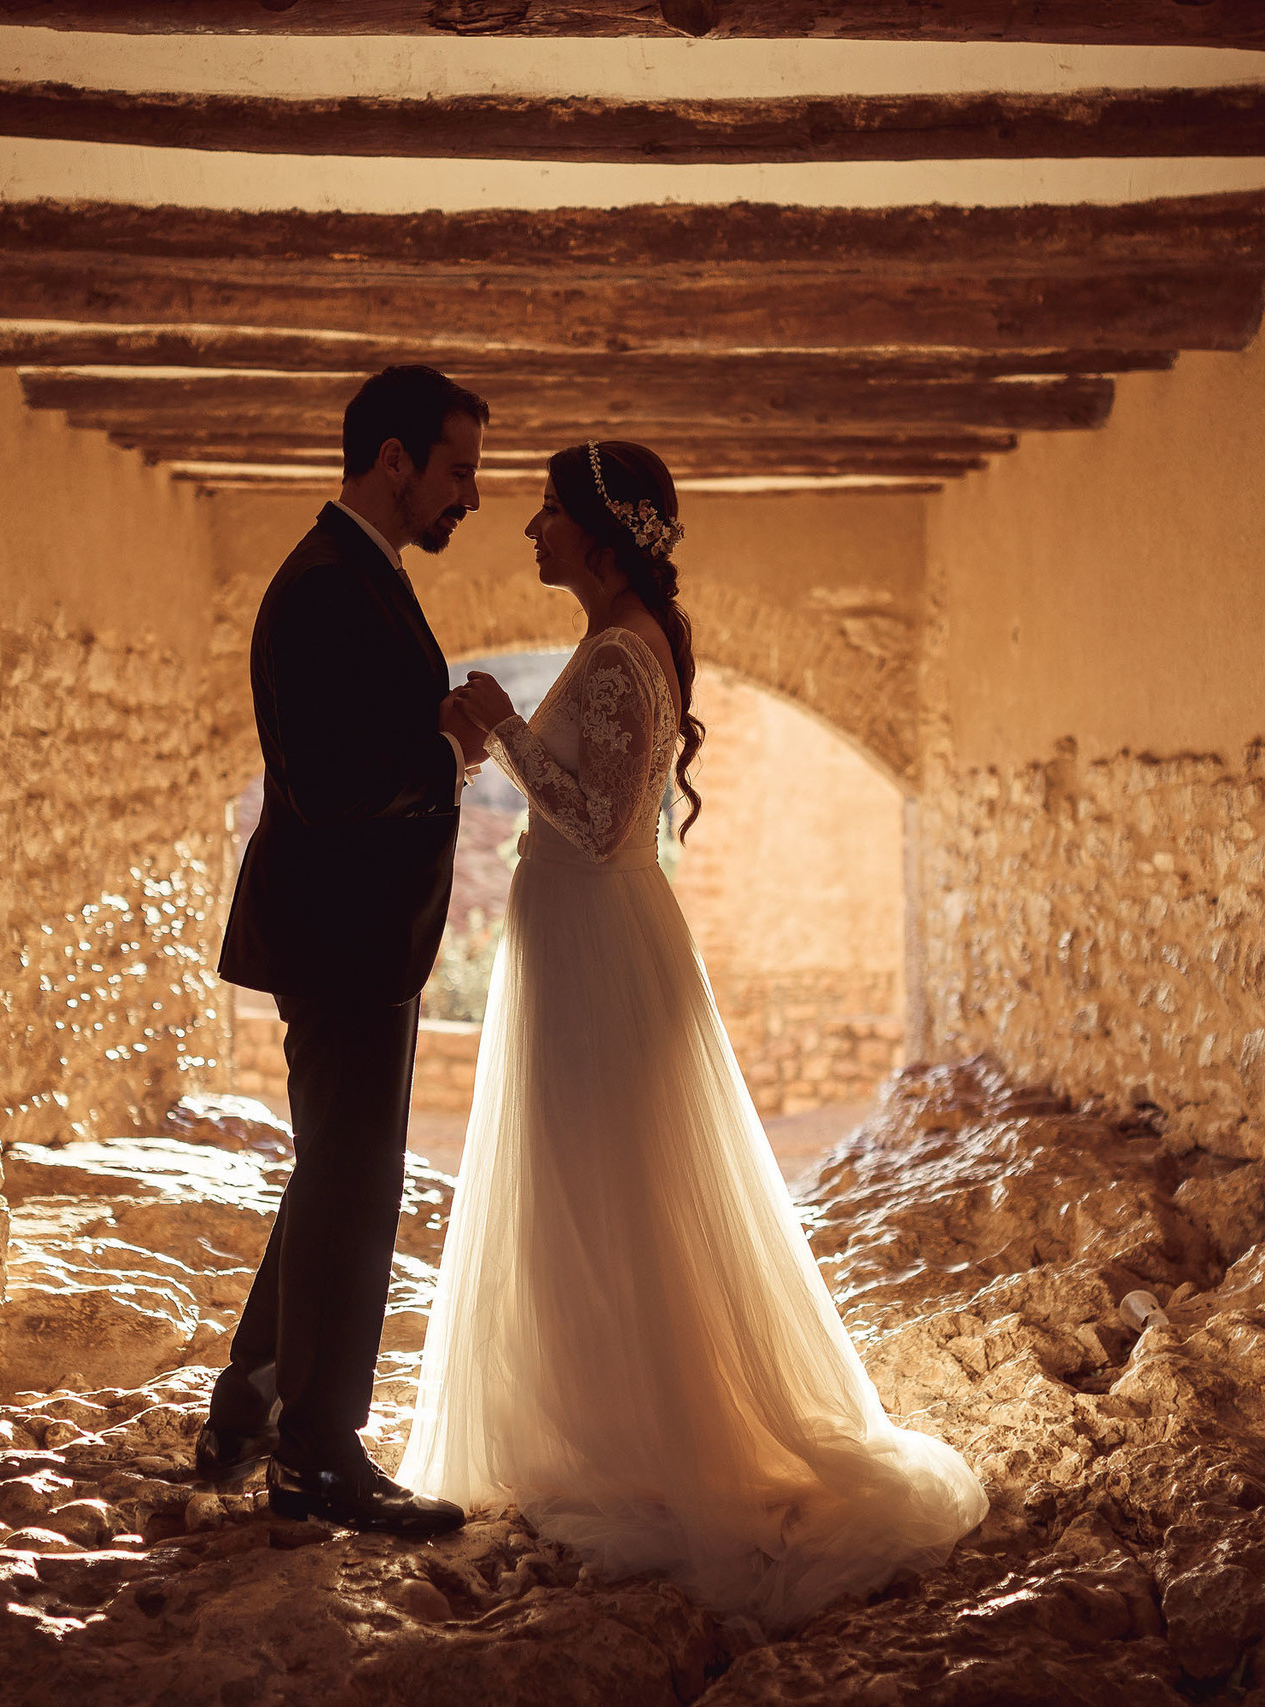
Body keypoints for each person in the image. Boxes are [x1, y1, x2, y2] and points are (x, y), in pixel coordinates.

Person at [404, 441, 987, 1623]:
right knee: (588, 1182)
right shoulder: (618, 639)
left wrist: (506, 730)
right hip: (578, 938)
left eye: (550, 513)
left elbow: (602, 820)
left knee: (612, 1180)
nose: (529, 530)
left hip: (596, 942)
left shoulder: (621, 652)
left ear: (603, 540)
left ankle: (645, 1440)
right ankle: (596, 1419)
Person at [198, 365, 490, 1536]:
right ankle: (317, 1457)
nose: (468, 495)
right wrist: (451, 748)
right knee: (356, 1185)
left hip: (357, 934)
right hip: (342, 937)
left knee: (337, 1170)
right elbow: (325, 781)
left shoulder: (355, 573)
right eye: (457, 468)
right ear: (393, 460)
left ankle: (251, 1405)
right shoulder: (325, 585)